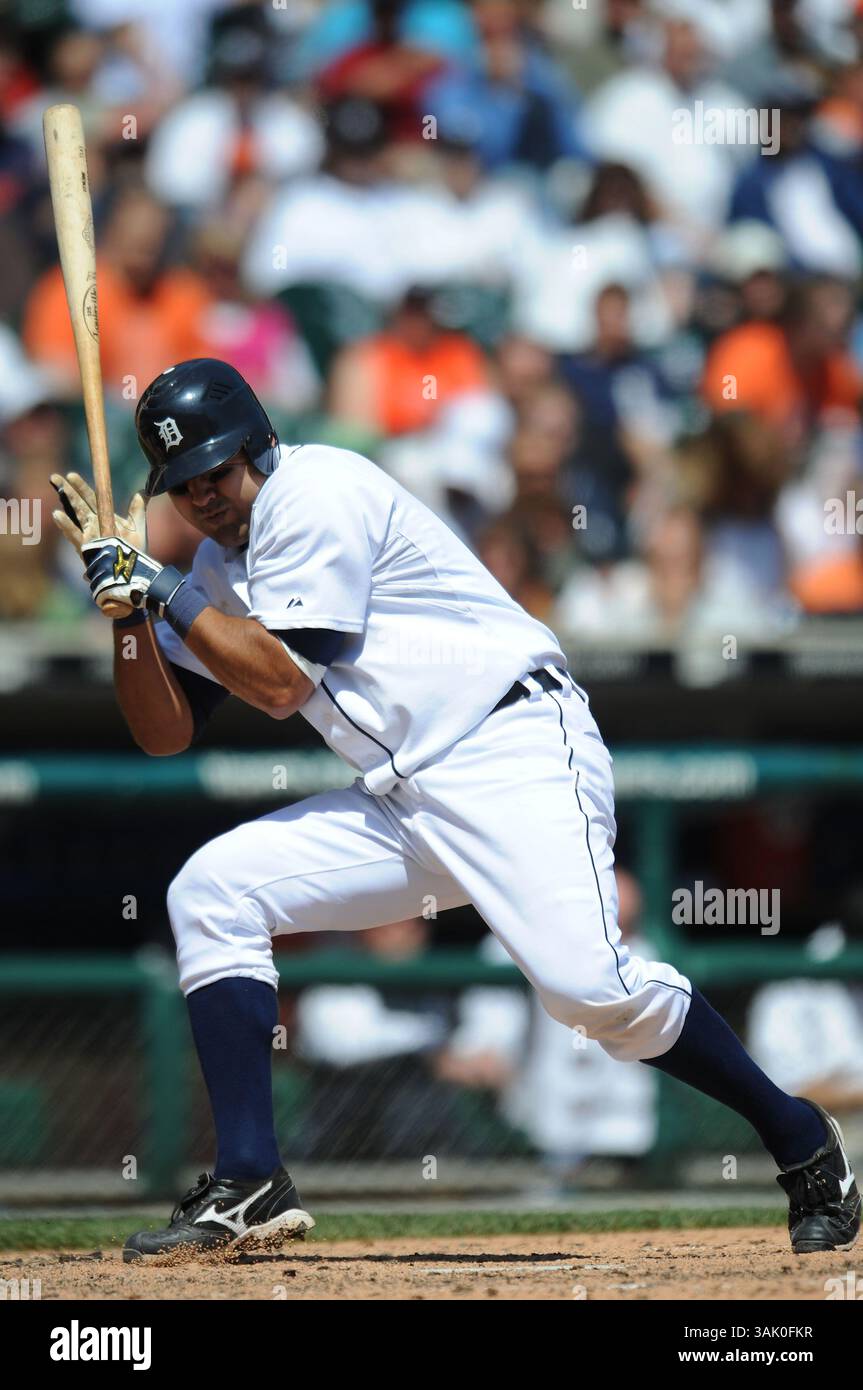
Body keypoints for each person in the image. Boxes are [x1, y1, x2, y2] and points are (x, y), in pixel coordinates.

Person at [50, 357, 860, 1260]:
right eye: (184, 483)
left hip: (509, 749)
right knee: (211, 891)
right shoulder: (209, 568)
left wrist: (163, 590)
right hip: (405, 793)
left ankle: (798, 1139)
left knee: (593, 993)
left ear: (257, 444)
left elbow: (280, 684)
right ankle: (248, 1180)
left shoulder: (314, 491)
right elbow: (163, 733)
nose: (203, 493)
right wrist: (128, 613)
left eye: (216, 469)